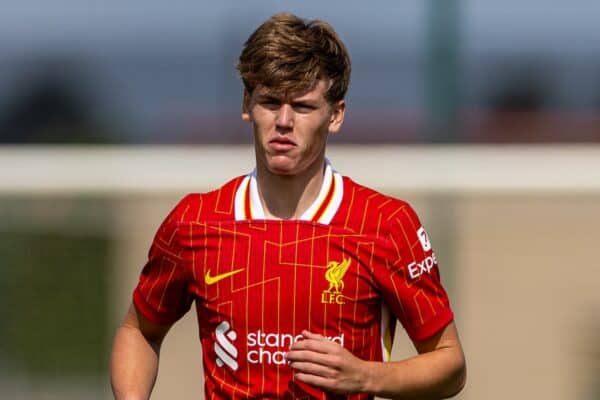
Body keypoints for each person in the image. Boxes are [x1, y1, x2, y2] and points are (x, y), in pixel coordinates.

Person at [110, 12, 466, 400]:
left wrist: (367, 376)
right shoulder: (196, 222)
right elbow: (139, 331)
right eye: (269, 101)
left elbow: (450, 363)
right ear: (247, 104)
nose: (283, 120)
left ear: (336, 115)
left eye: (302, 106)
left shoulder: (384, 224)